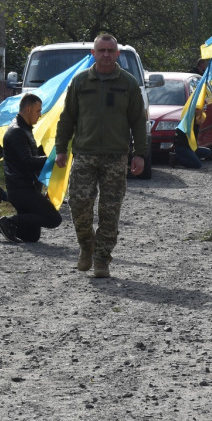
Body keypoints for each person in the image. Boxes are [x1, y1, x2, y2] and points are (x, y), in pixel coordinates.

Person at [53, 32, 148, 278]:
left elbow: (138, 121)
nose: (106, 54)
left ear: (117, 54)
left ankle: (102, 259)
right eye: (101, 50)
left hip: (115, 157)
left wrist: (140, 154)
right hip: (84, 154)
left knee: (110, 211)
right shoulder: (81, 82)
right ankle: (87, 245)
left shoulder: (127, 84)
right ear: (93, 54)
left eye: (110, 50)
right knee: (79, 205)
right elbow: (67, 118)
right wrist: (61, 149)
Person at [0, 93, 63, 244]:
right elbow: (27, 162)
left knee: (31, 236)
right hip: (22, 191)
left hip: (25, 188)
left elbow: (32, 156)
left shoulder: (25, 129)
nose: (40, 114)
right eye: (38, 111)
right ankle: (9, 220)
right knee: (54, 219)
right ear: (28, 109)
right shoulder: (17, 131)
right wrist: (52, 160)